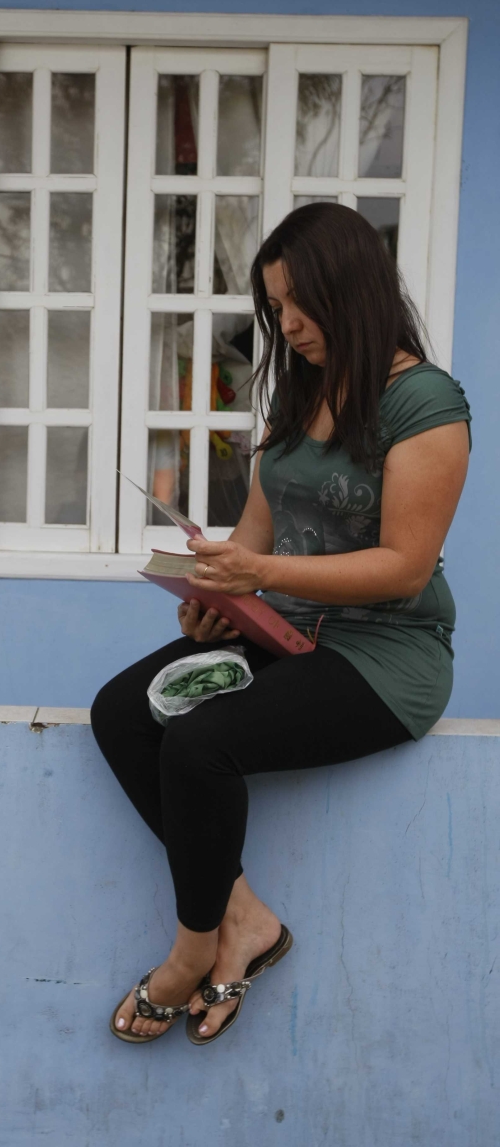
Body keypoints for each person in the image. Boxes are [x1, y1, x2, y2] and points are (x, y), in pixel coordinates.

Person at [91, 203, 471, 1046]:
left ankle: (193, 952)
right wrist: (217, 596)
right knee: (122, 711)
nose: (288, 325)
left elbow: (405, 563)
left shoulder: (426, 402)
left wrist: (258, 573)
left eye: (301, 303)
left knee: (201, 743)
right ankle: (248, 921)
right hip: (285, 636)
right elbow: (255, 545)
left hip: (386, 655)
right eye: (276, 308)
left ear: (355, 290)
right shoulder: (294, 402)